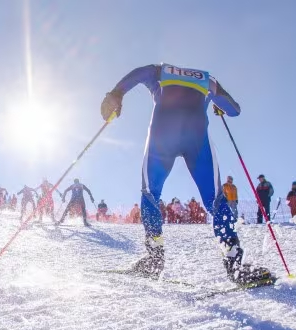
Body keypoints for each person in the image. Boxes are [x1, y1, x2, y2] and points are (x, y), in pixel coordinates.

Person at [101, 62, 271, 285]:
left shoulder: (159, 70)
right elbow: (234, 110)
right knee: (216, 200)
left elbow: (137, 75)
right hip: (196, 139)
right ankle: (234, 264)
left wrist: (116, 94)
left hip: (163, 136)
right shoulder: (208, 80)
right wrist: (219, 106)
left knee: (150, 193)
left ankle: (154, 259)